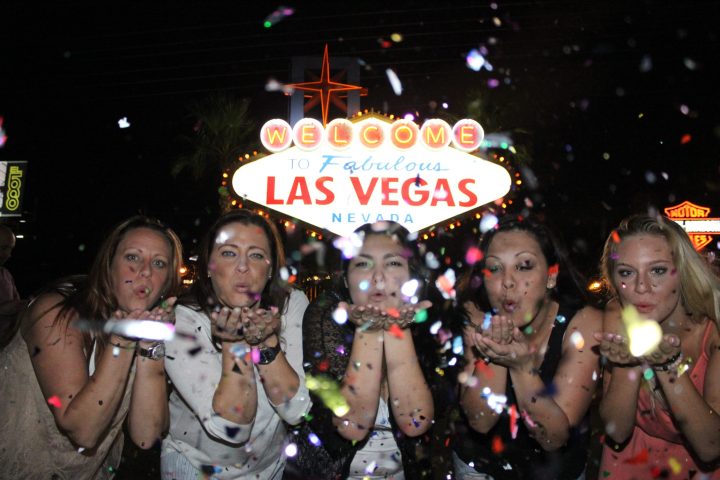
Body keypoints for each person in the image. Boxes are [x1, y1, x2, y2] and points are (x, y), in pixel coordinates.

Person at [0, 215, 184, 479]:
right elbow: (83, 430)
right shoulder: (56, 313)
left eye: (159, 263)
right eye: (132, 257)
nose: (145, 271)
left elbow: (147, 435)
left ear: (166, 282)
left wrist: (151, 346)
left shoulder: (142, 323)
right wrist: (121, 343)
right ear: (109, 265)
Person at [161, 210, 311, 479]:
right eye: (229, 253)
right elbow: (232, 428)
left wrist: (266, 344)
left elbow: (297, 411)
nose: (243, 267)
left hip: (268, 467)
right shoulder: (183, 319)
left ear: (270, 269)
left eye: (255, 255)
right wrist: (235, 343)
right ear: (209, 265)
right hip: (195, 465)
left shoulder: (291, 305)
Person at [454, 216, 602, 479]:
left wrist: (522, 369)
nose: (508, 282)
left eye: (523, 266)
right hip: (481, 467)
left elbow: (552, 437)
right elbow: (481, 420)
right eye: (494, 269)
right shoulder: (475, 314)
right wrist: (497, 351)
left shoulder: (584, 323)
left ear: (551, 276)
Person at [287, 221, 435, 479]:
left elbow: (415, 422)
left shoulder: (428, 321)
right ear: (345, 278)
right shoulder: (325, 315)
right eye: (363, 264)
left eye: (393, 263)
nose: (378, 278)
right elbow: (352, 425)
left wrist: (397, 329)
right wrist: (368, 331)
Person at [597, 214, 720, 479]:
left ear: (682, 272)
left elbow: (711, 447)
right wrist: (626, 364)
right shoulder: (618, 315)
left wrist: (667, 365)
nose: (642, 287)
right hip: (633, 462)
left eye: (658, 270)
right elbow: (616, 430)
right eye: (627, 273)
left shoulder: (714, 329)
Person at [0, 224, 23, 347]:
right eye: (3, 248)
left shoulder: (6, 275)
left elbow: (17, 305)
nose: (8, 254)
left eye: (10, 249)